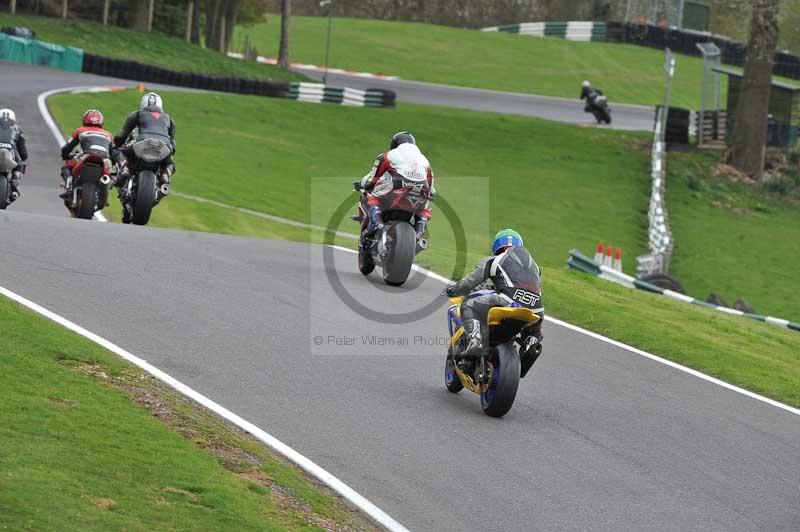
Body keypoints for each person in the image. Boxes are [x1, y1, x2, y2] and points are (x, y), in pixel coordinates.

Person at [446, 229, 544, 369]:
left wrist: (453, 290)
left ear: (497, 247)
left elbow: (469, 282)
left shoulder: (495, 260)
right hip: (537, 309)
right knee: (534, 332)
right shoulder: (535, 267)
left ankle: (475, 339)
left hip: (508, 300)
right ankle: (530, 347)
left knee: (469, 305)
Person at [357, 131, 435, 246]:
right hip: (421, 187)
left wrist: (362, 184)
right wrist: (429, 194)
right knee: (424, 205)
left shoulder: (387, 155)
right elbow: (431, 189)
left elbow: (372, 179)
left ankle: (376, 223)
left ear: (394, 144)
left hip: (397, 184)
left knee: (371, 195)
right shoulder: (424, 160)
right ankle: (420, 232)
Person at [114, 92, 176, 190]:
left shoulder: (137, 114)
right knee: (170, 163)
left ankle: (125, 169)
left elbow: (122, 136)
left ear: (143, 104)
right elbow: (173, 144)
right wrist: (169, 155)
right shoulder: (169, 119)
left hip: (143, 143)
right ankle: (165, 174)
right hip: (164, 146)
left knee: (120, 152)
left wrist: (117, 145)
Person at [59, 109, 115, 199]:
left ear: (85, 120)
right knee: (110, 175)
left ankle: (69, 187)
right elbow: (113, 152)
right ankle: (104, 190)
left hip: (85, 156)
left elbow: (68, 147)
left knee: (66, 167)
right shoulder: (109, 135)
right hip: (105, 160)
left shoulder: (80, 131)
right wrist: (114, 163)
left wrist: (65, 155)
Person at [0, 108, 28, 201]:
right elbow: (24, 154)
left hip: (8, 156)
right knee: (20, 164)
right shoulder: (18, 130)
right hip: (11, 154)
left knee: (20, 163)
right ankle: (14, 184)